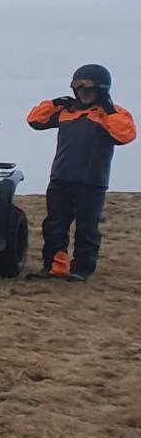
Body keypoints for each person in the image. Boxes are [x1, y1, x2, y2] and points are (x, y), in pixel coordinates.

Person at [27, 63, 134, 282]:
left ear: (102, 89)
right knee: (54, 226)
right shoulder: (66, 111)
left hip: (92, 182)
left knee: (87, 229)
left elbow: (125, 135)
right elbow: (34, 120)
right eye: (78, 88)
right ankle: (55, 268)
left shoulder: (112, 113)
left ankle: (81, 270)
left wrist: (109, 110)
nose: (83, 92)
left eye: (89, 88)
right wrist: (54, 103)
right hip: (61, 179)